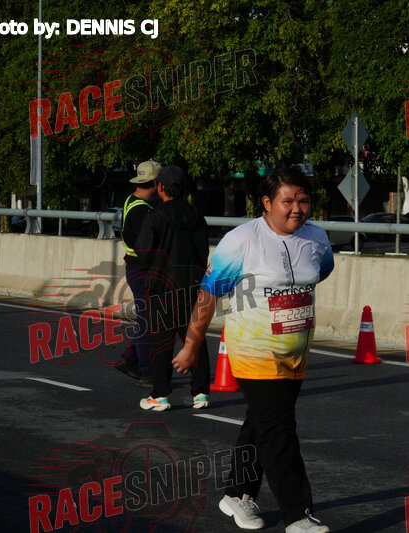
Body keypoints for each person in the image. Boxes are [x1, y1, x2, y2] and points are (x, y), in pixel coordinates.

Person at [171, 167, 334, 532]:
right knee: (279, 430)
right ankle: (298, 515)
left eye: (303, 200)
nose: (297, 209)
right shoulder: (241, 240)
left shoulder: (317, 237)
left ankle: (237, 494)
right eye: (287, 201)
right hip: (253, 350)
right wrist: (191, 345)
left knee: (261, 423)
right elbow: (209, 295)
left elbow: (321, 271)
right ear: (267, 202)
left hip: (296, 353)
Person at [135, 165, 211, 411]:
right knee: (194, 337)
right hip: (193, 285)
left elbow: (143, 252)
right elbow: (203, 252)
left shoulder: (155, 216)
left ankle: (160, 394)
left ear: (160, 187)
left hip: (162, 285)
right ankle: (200, 392)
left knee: (161, 340)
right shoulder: (197, 216)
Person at [115, 159, 160, 388]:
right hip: (143, 270)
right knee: (147, 321)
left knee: (147, 318)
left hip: (135, 267)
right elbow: (148, 247)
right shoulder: (143, 211)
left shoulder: (131, 200)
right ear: (156, 183)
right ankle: (146, 371)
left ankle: (131, 360)